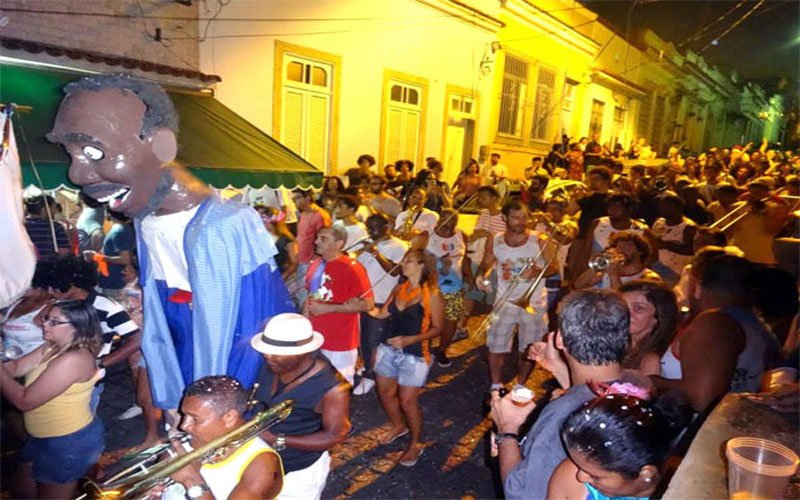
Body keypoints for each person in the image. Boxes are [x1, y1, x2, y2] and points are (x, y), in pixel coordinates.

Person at [48, 74, 295, 411]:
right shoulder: (145, 219)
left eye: (94, 151)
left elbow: (256, 312)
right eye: (71, 153)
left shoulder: (229, 222)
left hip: (231, 359)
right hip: (179, 330)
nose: (76, 175)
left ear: (161, 144)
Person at [491, 289, 632, 500]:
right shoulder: (637, 385)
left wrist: (507, 431)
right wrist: (557, 367)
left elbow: (523, 494)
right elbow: (592, 393)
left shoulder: (562, 415)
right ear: (625, 339)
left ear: (558, 340)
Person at [652, 251, 782, 413]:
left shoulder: (716, 323)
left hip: (693, 431)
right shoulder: (758, 327)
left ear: (698, 287)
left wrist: (650, 382)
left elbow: (702, 400)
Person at [1, 300, 104, 499]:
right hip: (41, 436)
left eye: (54, 322)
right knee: (22, 490)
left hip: (66, 441)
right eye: (47, 318)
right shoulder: (52, 346)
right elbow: (15, 369)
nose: (44, 324)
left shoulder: (74, 359)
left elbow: (24, 401)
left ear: (77, 327)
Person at [251, 313, 351, 500]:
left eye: (275, 352)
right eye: (266, 350)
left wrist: (277, 439)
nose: (267, 356)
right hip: (261, 460)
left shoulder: (333, 389)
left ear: (303, 352)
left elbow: (334, 436)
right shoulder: (274, 364)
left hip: (298, 471)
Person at [370, 249, 445, 467]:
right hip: (388, 348)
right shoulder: (399, 288)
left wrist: (410, 339)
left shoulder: (431, 293)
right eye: (405, 259)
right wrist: (363, 306)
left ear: (422, 265)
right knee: (385, 393)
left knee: (408, 401)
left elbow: (438, 328)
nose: (403, 263)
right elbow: (383, 313)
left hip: (415, 354)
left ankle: (415, 442)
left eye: (409, 261)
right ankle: (398, 426)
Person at [547, 390, 689, 500]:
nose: (581, 477)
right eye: (577, 464)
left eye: (596, 476)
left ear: (646, 475)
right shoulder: (571, 478)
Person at [477, 201, 557, 392]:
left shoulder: (540, 239)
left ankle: (520, 384)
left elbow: (554, 268)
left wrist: (537, 272)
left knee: (529, 348)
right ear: (504, 218)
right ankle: (496, 384)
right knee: (496, 344)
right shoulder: (495, 239)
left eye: (524, 217)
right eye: (516, 217)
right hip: (504, 301)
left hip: (534, 302)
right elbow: (487, 262)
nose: (522, 221)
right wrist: (483, 276)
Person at [161, 376, 283, 500]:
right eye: (184, 415)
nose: (184, 426)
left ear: (229, 417)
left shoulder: (262, 464)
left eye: (196, 419)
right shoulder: (186, 442)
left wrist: (192, 481)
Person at [305, 226, 374, 384]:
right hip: (315, 337)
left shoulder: (352, 267)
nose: (316, 242)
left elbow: (368, 304)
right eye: (317, 237)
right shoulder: (316, 264)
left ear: (339, 243)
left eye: (323, 239)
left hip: (339, 340)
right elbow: (310, 297)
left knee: (338, 387)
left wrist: (331, 308)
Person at [354, 214, 408, 396]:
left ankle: (371, 376)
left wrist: (375, 252)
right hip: (362, 299)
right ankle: (369, 366)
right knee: (362, 339)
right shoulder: (365, 245)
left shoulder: (398, 246)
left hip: (381, 299)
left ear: (388, 226)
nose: (371, 232)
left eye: (375, 227)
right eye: (369, 228)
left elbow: (395, 272)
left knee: (373, 339)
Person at [425, 209, 468, 367]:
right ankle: (425, 350)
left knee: (452, 320)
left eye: (450, 222)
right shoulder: (427, 235)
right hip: (432, 286)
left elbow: (465, 258)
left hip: (454, 286)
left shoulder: (460, 234)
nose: (446, 225)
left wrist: (468, 278)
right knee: (428, 320)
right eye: (443, 219)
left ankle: (442, 350)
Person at [619, 280, 679, 376]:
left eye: (638, 308)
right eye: (622, 306)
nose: (625, 313)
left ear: (658, 317)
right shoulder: (617, 345)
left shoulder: (650, 360)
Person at [573, 231, 660, 291]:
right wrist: (597, 267)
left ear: (640, 251)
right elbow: (577, 286)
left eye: (628, 246)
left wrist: (614, 275)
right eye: (618, 247)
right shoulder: (604, 273)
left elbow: (623, 302)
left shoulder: (648, 277)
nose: (621, 250)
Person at [1, 260, 54, 358]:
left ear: (39, 286)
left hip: (32, 363)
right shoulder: (19, 302)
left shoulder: (49, 308)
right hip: (9, 361)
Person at [83, 210, 135, 302]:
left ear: (108, 214)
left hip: (116, 282)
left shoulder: (119, 231)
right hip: (113, 281)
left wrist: (97, 257)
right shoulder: (120, 229)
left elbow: (125, 259)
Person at [293, 188, 332, 309]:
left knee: (307, 293)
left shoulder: (320, 215)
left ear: (308, 198)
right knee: (300, 293)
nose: (295, 202)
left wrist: (317, 259)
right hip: (300, 258)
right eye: (294, 199)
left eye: (298, 198)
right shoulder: (303, 214)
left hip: (311, 260)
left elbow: (324, 238)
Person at [651, 192, 697, 285]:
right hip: (656, 267)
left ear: (679, 207)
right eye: (661, 206)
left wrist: (666, 245)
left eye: (667, 206)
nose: (663, 209)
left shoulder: (688, 227)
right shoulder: (659, 222)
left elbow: (692, 250)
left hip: (676, 271)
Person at [255, 205, 299, 290]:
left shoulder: (285, 239)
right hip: (266, 277)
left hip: (282, 276)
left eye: (264, 220)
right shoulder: (259, 238)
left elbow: (294, 263)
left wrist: (283, 277)